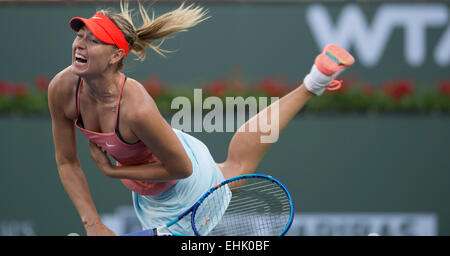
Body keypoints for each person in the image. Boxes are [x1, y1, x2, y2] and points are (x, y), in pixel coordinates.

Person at [48, 1, 354, 236]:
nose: (79, 44)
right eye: (79, 35)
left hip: (184, 182)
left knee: (234, 169)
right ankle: (314, 82)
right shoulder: (62, 89)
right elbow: (66, 162)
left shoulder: (136, 108)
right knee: (235, 169)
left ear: (115, 56)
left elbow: (181, 168)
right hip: (149, 188)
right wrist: (92, 224)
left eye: (93, 40)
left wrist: (112, 172)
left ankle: (312, 83)